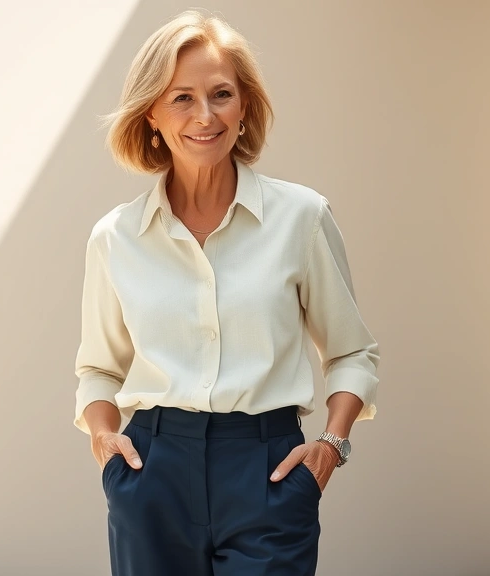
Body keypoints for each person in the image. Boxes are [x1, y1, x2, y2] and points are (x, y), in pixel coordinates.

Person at [74, 10, 379, 576]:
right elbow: (98, 369)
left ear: (244, 110)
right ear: (152, 117)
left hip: (267, 470)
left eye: (221, 94)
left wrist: (331, 448)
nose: (205, 115)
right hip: (153, 471)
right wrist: (105, 442)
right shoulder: (115, 238)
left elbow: (352, 352)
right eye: (182, 98)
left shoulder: (301, 219)